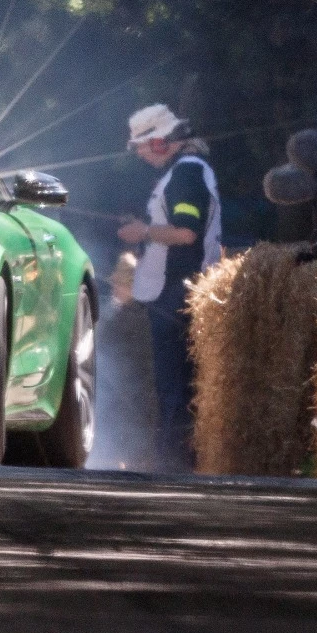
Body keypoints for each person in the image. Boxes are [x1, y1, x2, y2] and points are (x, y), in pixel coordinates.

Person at [117, 104, 223, 474]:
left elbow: (186, 233)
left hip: (176, 292)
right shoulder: (185, 172)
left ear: (163, 142)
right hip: (175, 290)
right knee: (173, 383)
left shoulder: (186, 175)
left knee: (173, 384)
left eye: (144, 146)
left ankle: (172, 467)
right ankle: (173, 462)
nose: (142, 154)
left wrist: (143, 232)